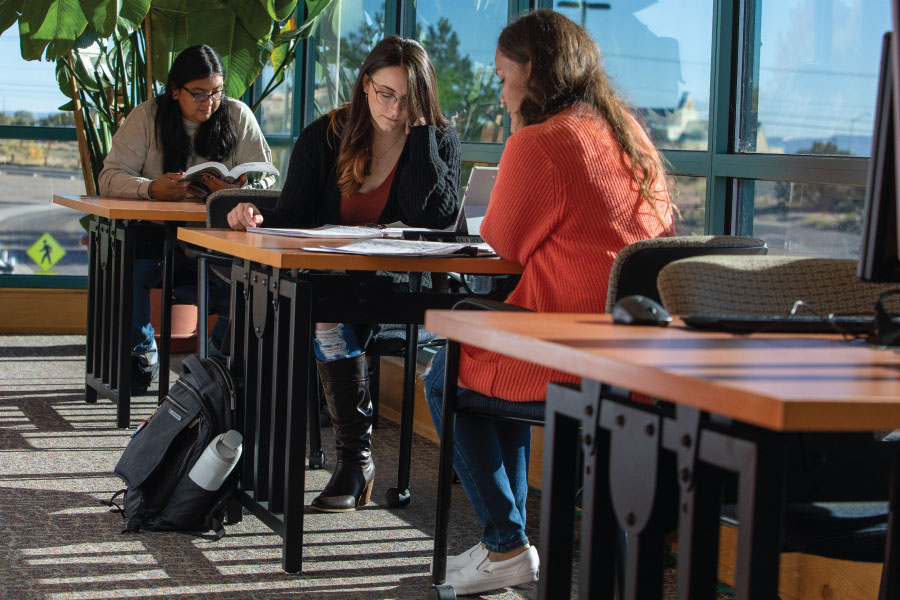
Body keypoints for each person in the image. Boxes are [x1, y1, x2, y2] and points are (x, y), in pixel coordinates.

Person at [423, 10, 675, 596]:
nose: (502, 92)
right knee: (486, 354)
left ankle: (506, 544)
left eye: (505, 77)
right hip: (635, 351)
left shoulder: (538, 142)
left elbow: (504, 245)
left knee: (445, 373)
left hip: (568, 346)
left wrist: (518, 135)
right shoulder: (628, 134)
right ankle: (502, 547)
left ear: (532, 72)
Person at [226, 36, 461, 513]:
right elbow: (292, 216)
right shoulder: (325, 135)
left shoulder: (438, 141)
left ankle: (355, 462)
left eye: (408, 99)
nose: (394, 110)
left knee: (317, 312)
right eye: (385, 94)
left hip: (399, 288)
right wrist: (250, 216)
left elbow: (431, 220)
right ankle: (242, 441)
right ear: (365, 85)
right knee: (290, 308)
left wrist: (419, 139)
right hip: (333, 281)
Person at [98, 44, 275, 393]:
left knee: (254, 279)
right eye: (198, 93)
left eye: (216, 92)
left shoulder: (237, 115)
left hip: (219, 238)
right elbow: (109, 176)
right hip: (157, 237)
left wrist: (242, 187)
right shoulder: (147, 117)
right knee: (126, 258)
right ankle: (141, 351)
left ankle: (213, 359)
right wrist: (151, 189)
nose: (209, 102)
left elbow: (267, 176)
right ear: (175, 90)